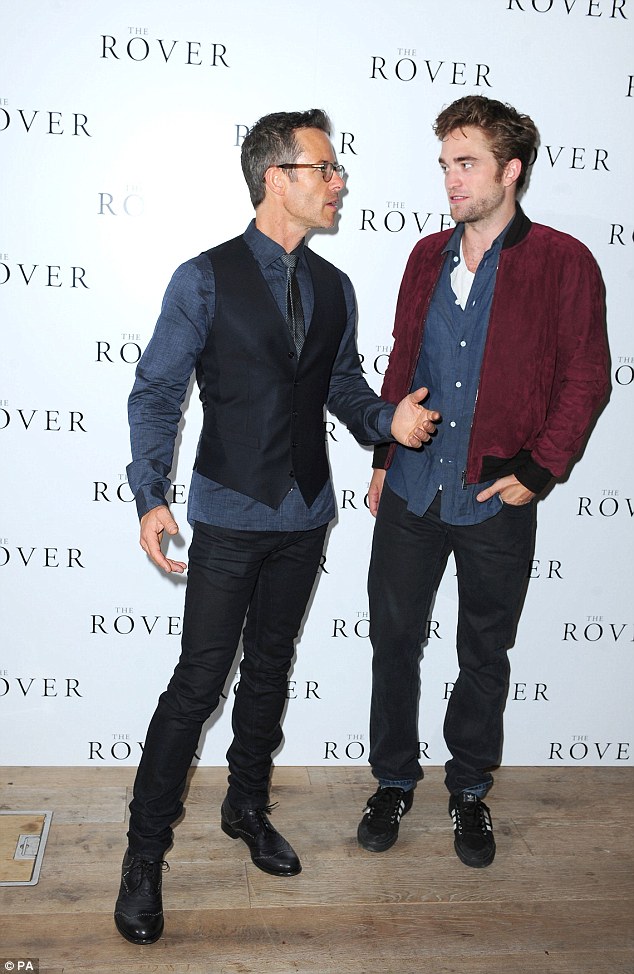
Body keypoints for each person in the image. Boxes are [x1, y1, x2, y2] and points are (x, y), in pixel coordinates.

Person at [114, 108, 439, 945]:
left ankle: (246, 807)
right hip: (229, 510)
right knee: (199, 683)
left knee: (270, 669)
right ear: (276, 178)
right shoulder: (203, 278)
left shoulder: (334, 286)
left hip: (306, 513)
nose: (339, 182)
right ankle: (144, 855)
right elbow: (157, 391)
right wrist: (151, 494)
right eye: (324, 168)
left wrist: (386, 422)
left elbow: (341, 385)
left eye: (336, 170)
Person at [356, 95, 609, 868]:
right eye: (445, 165)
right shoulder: (424, 257)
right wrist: (383, 458)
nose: (451, 180)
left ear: (511, 170)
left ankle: (469, 790)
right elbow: (404, 362)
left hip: (496, 493)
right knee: (394, 641)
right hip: (413, 488)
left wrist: (540, 469)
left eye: (466, 163)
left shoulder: (563, 261)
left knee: (483, 651)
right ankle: (393, 780)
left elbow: (586, 376)